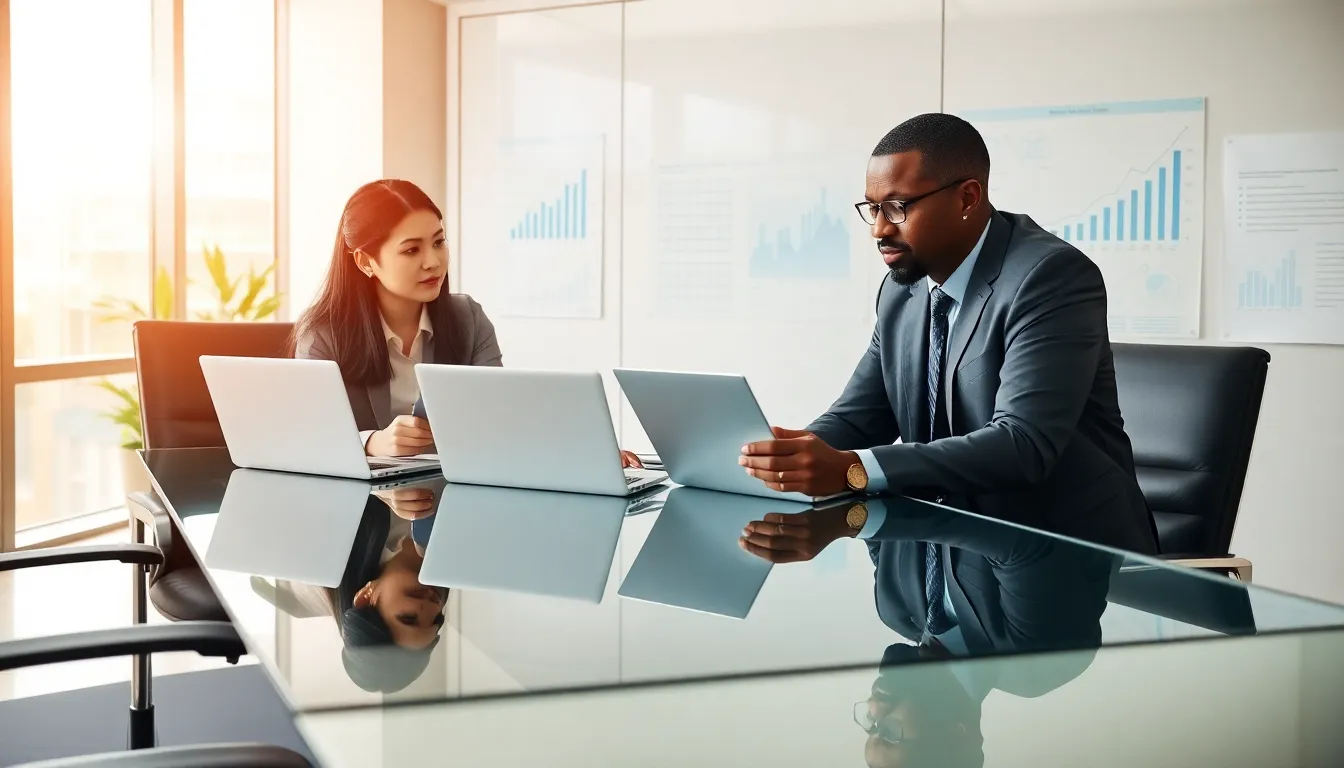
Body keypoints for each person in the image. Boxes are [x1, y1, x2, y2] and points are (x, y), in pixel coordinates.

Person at [737, 113, 1158, 555]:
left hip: (1066, 556)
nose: (880, 229)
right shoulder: (902, 290)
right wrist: (785, 459)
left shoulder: (1050, 277)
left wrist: (850, 469)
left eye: (898, 207)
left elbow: (1022, 444)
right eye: (873, 209)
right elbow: (859, 418)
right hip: (949, 546)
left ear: (967, 198)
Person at [291, 178, 642, 467]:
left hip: (454, 498)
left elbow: (500, 418)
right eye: (411, 250)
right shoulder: (324, 335)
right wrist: (372, 443)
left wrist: (581, 449)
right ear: (366, 262)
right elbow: (308, 441)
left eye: (438, 242)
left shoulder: (467, 318)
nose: (433, 261)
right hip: (365, 517)